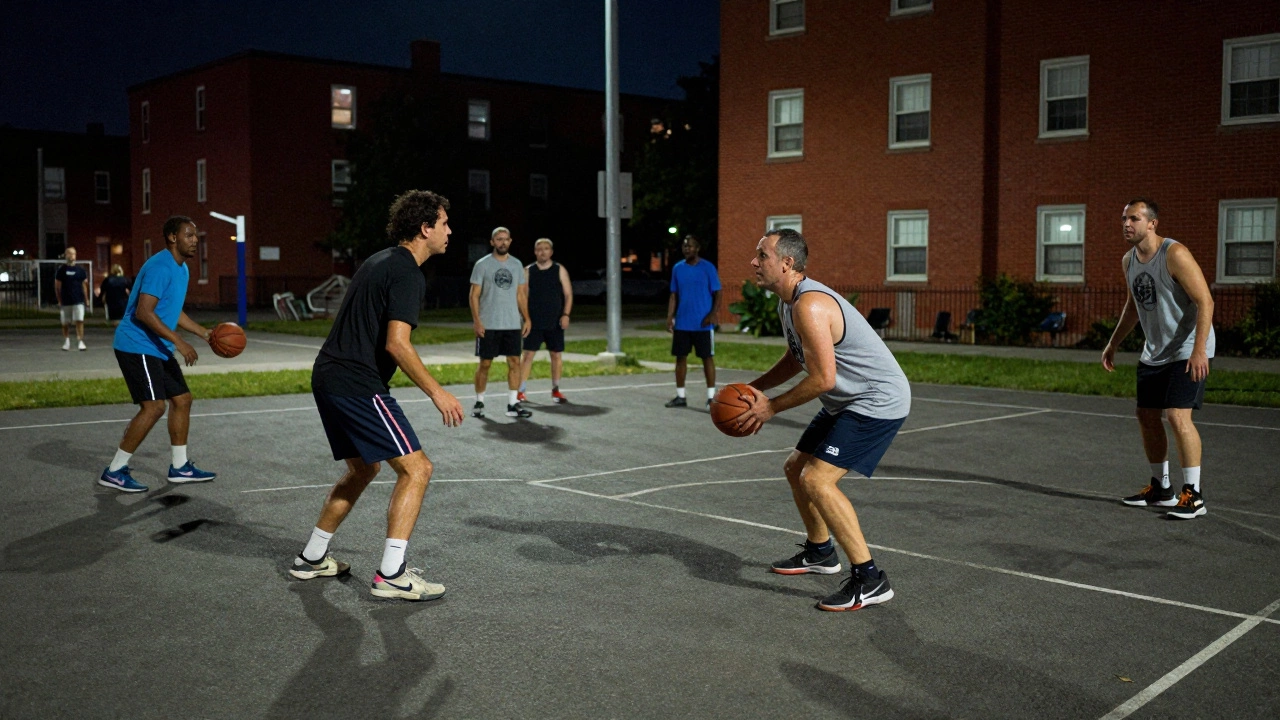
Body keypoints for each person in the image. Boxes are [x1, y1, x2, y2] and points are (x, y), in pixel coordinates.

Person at [291, 189, 465, 601]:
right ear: (425, 228)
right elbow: (397, 344)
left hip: (329, 376)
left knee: (363, 469)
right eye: (443, 223)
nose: (449, 230)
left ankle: (312, 557)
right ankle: (392, 574)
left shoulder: (379, 260)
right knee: (417, 469)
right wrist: (438, 393)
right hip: (355, 382)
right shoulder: (407, 272)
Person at [734, 228, 911, 612]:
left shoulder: (810, 304)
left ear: (787, 263)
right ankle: (820, 552)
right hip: (847, 401)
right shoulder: (789, 302)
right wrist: (755, 388)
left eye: (761, 255)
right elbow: (798, 358)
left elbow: (822, 379)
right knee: (795, 466)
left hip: (876, 400)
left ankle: (870, 578)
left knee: (817, 479)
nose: (754, 262)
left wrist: (771, 407)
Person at [1103, 198, 1215, 520]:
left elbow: (1205, 301)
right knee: (1146, 414)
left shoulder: (1174, 254)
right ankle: (1161, 488)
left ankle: (1193, 495)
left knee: (1178, 417)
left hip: (1187, 347)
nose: (1126, 224)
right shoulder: (1129, 260)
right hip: (1155, 350)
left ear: (1152, 223)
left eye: (1134, 218)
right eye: (1124, 218)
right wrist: (1113, 343)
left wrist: (1198, 350)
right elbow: (1132, 306)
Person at [99, 217, 218, 493]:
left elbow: (172, 310)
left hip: (157, 346)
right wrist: (179, 342)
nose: (195, 240)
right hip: (136, 344)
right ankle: (114, 471)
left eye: (196, 235)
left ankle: (180, 467)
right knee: (154, 407)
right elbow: (144, 312)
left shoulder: (182, 269)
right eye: (189, 235)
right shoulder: (160, 267)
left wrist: (203, 332)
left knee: (182, 400)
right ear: (172, 237)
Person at [469, 226, 532, 419]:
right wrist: (477, 321)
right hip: (489, 324)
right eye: (498, 239)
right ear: (492, 242)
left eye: (506, 239)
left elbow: (521, 294)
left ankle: (513, 404)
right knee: (485, 364)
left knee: (514, 362)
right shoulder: (482, 264)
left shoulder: (516, 265)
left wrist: (527, 318)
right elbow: (474, 295)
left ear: (510, 241)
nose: (502, 242)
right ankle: (479, 402)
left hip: (512, 323)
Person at [665, 234, 722, 408]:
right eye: (684, 246)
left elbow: (718, 292)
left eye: (690, 246)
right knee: (680, 359)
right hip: (683, 322)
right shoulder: (678, 268)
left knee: (707, 358)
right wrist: (670, 316)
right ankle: (680, 396)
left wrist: (713, 313)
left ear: (697, 248)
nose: (687, 249)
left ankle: (711, 397)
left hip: (703, 324)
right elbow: (674, 295)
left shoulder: (708, 268)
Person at [517, 238, 573, 404]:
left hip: (555, 321)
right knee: (527, 356)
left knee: (556, 355)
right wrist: (526, 319)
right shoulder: (528, 271)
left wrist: (566, 315)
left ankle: (556, 390)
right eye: (539, 249)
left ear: (551, 252)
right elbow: (522, 297)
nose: (543, 251)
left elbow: (568, 294)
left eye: (546, 248)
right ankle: (521, 391)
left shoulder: (559, 269)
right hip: (533, 322)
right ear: (535, 252)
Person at [54, 246, 90, 351]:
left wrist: (86, 299)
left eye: (73, 253)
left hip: (78, 300)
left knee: (79, 320)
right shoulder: (61, 270)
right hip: (65, 301)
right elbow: (57, 286)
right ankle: (67, 341)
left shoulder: (81, 271)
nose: (71, 255)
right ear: (66, 255)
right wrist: (59, 300)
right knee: (65, 322)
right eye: (69, 253)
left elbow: (84, 285)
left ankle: (80, 341)